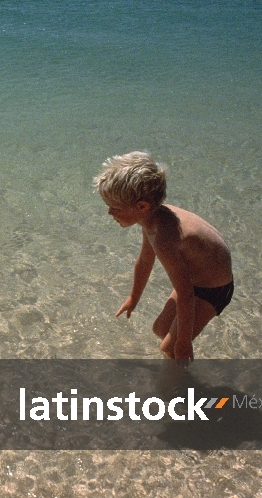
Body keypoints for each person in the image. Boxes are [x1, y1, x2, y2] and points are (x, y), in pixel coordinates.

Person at [94, 151, 233, 360]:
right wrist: (133, 298)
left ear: (142, 206)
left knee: (171, 348)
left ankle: (184, 387)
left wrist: (184, 344)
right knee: (160, 329)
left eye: (115, 208)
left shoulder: (165, 238)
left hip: (213, 289)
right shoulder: (151, 219)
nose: (110, 214)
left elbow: (185, 294)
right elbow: (144, 261)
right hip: (196, 280)